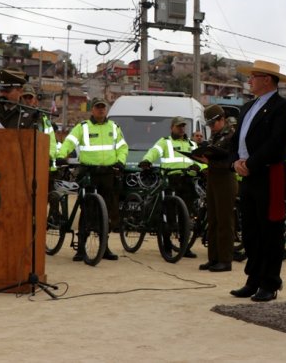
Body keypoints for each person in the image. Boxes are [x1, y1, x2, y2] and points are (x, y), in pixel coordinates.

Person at [229, 60, 286, 302]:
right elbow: (236, 141)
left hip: (269, 174)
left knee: (270, 230)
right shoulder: (247, 107)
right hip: (247, 175)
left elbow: (277, 142)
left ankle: (270, 283)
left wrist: (250, 163)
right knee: (251, 230)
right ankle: (253, 279)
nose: (249, 80)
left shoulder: (282, 107)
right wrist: (235, 161)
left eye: (254, 76)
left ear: (267, 79)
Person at [57, 97, 127, 262]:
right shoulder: (83, 127)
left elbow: (123, 146)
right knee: (87, 210)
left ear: (106, 110)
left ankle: (104, 247)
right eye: (98, 107)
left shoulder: (114, 127)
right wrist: (61, 156)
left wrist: (120, 161)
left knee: (107, 211)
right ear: (92, 110)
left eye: (103, 107)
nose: (101, 110)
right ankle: (81, 249)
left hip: (108, 173)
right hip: (89, 173)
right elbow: (69, 142)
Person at [139, 116, 203, 258]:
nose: (181, 129)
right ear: (172, 128)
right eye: (178, 126)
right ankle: (166, 245)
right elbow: (153, 152)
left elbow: (201, 160)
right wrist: (146, 160)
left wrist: (199, 167)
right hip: (170, 180)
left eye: (183, 126)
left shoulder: (192, 144)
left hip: (186, 181)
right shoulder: (165, 142)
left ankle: (184, 247)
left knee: (185, 216)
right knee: (168, 215)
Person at [197, 104, 237, 273]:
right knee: (212, 220)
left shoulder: (231, 135)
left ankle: (225, 260)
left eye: (213, 124)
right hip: (213, 178)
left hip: (225, 179)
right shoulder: (217, 135)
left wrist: (209, 162)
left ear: (222, 119)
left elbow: (230, 160)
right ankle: (213, 258)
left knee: (224, 221)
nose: (211, 128)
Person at [20, 84, 58, 185]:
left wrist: (49, 158)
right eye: (25, 97)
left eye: (30, 97)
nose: (27, 100)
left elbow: (51, 141)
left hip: (37, 163)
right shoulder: (15, 116)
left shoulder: (42, 118)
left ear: (34, 99)